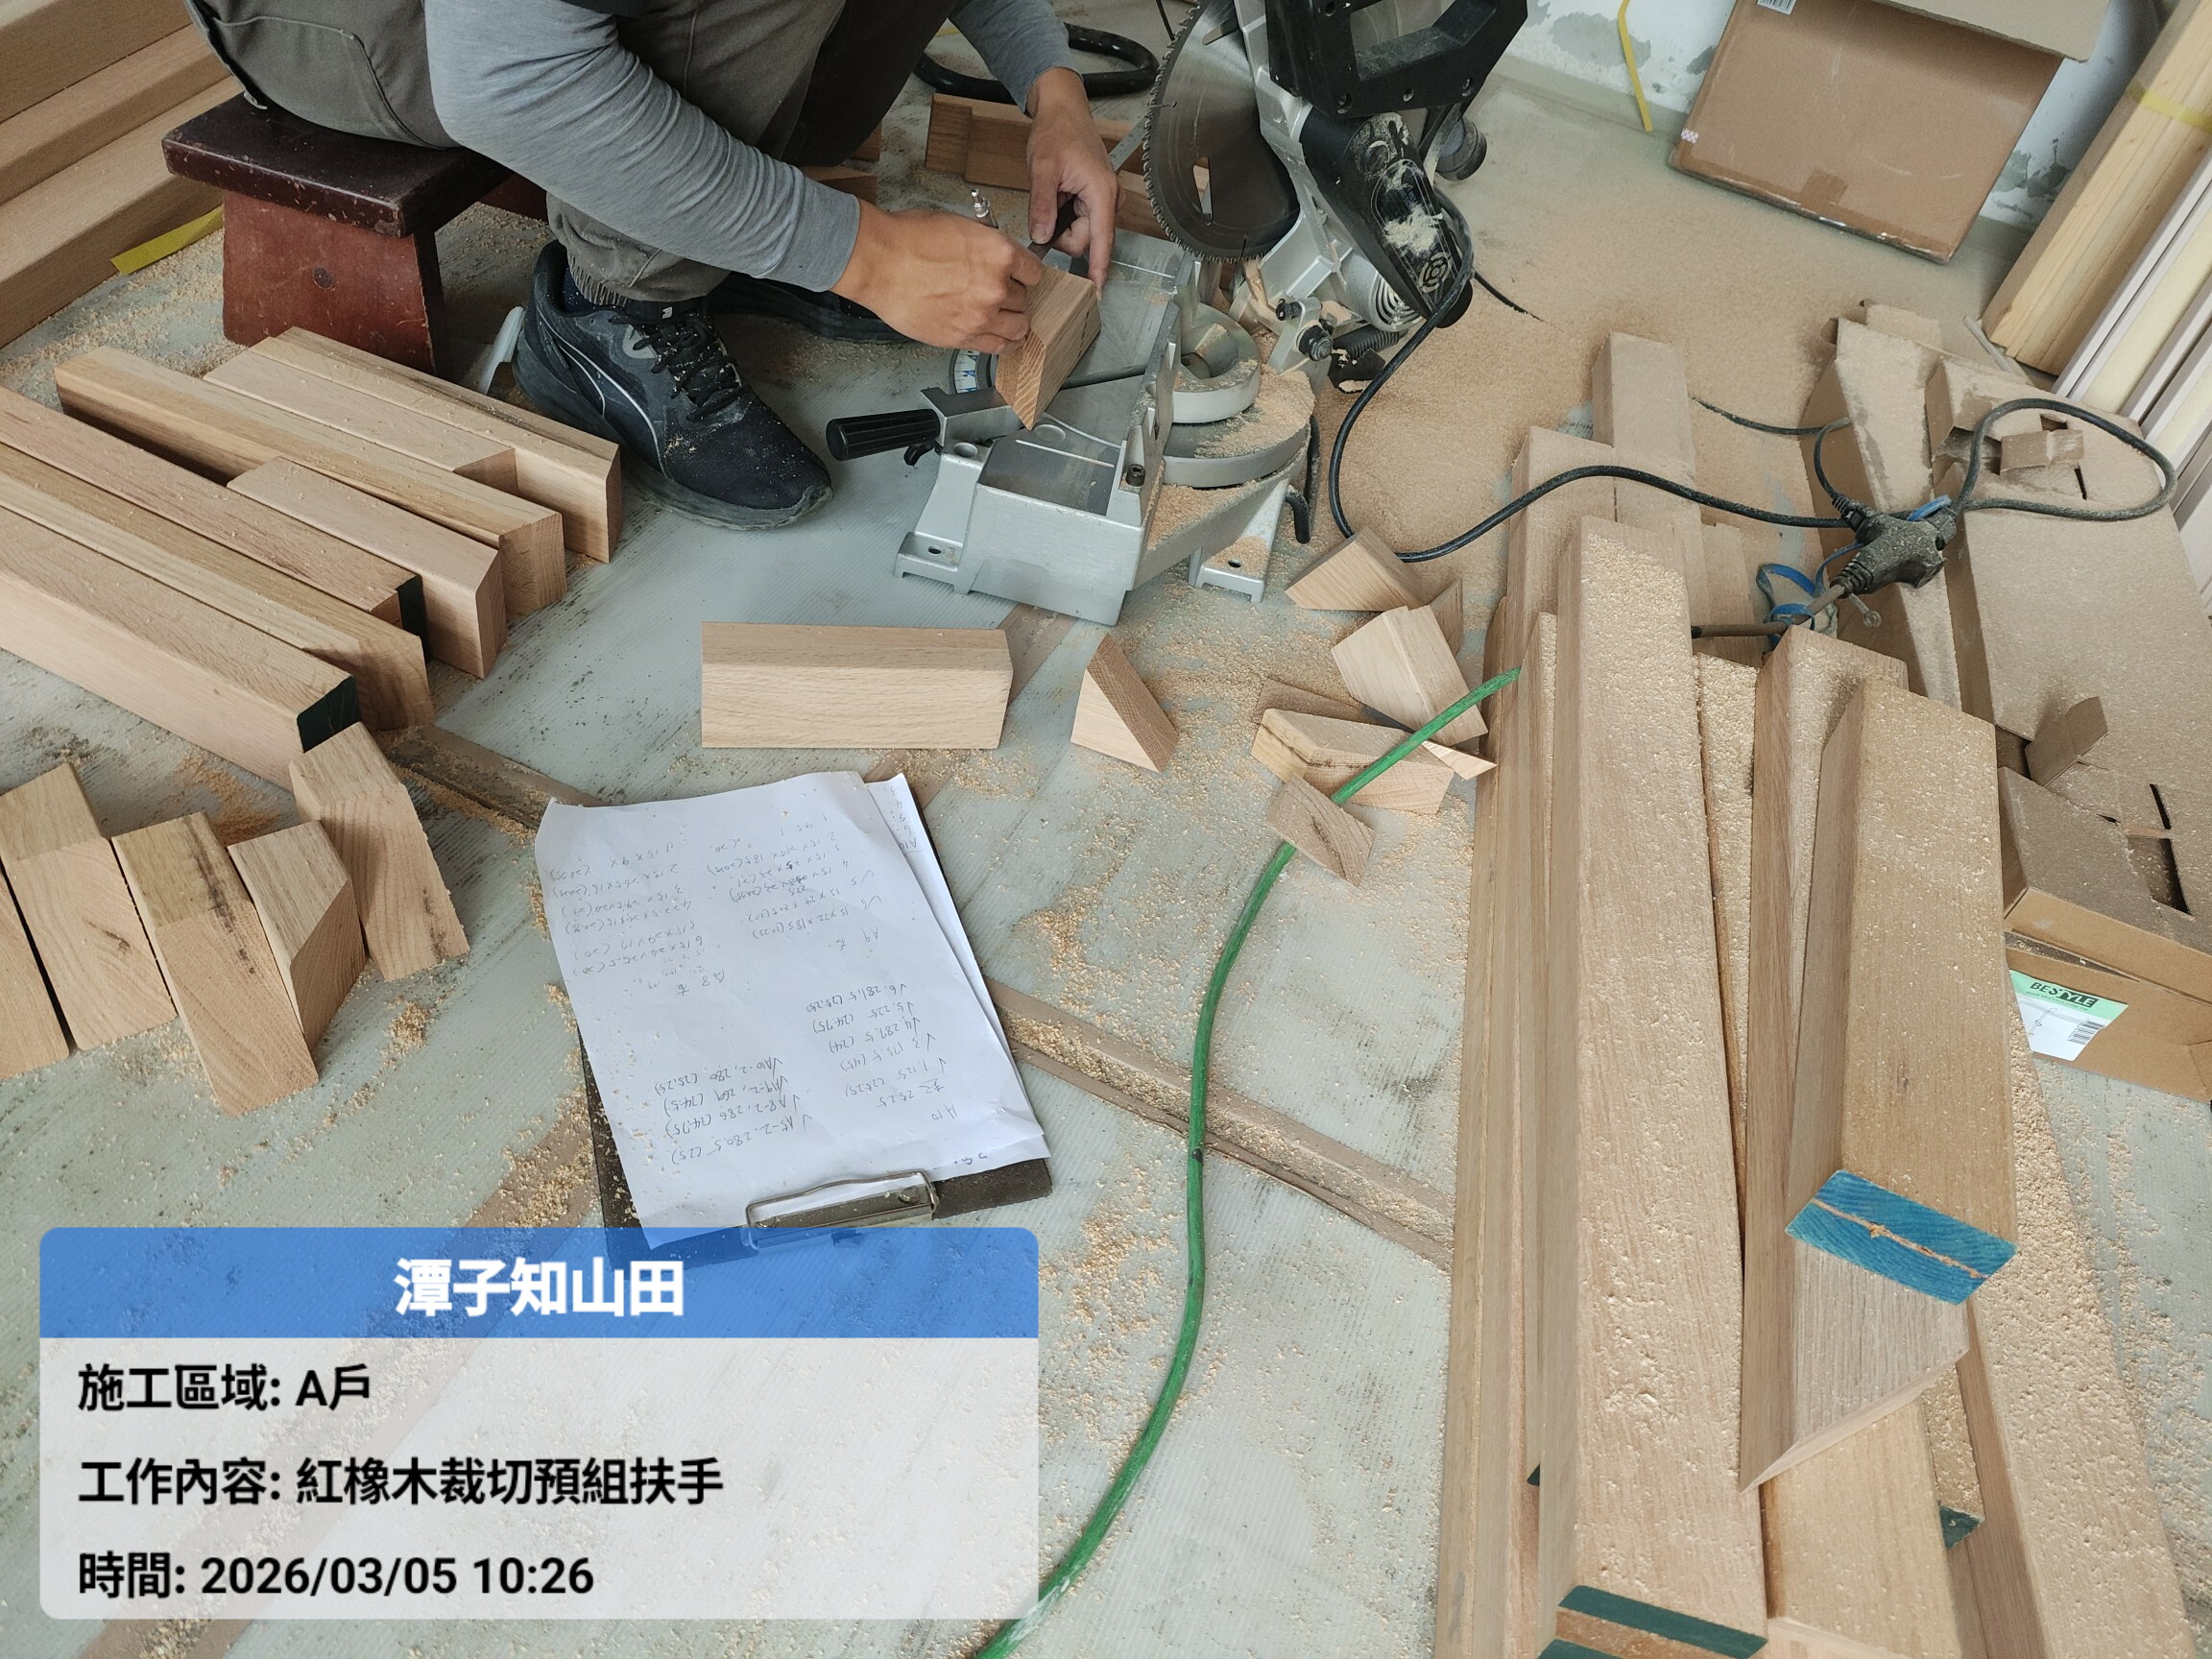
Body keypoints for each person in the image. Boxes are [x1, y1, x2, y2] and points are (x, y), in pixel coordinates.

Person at [184, 0, 1122, 527]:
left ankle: (720, 215)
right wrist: (864, 255)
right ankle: (613, 302)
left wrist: (1055, 94)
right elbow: (505, 78)